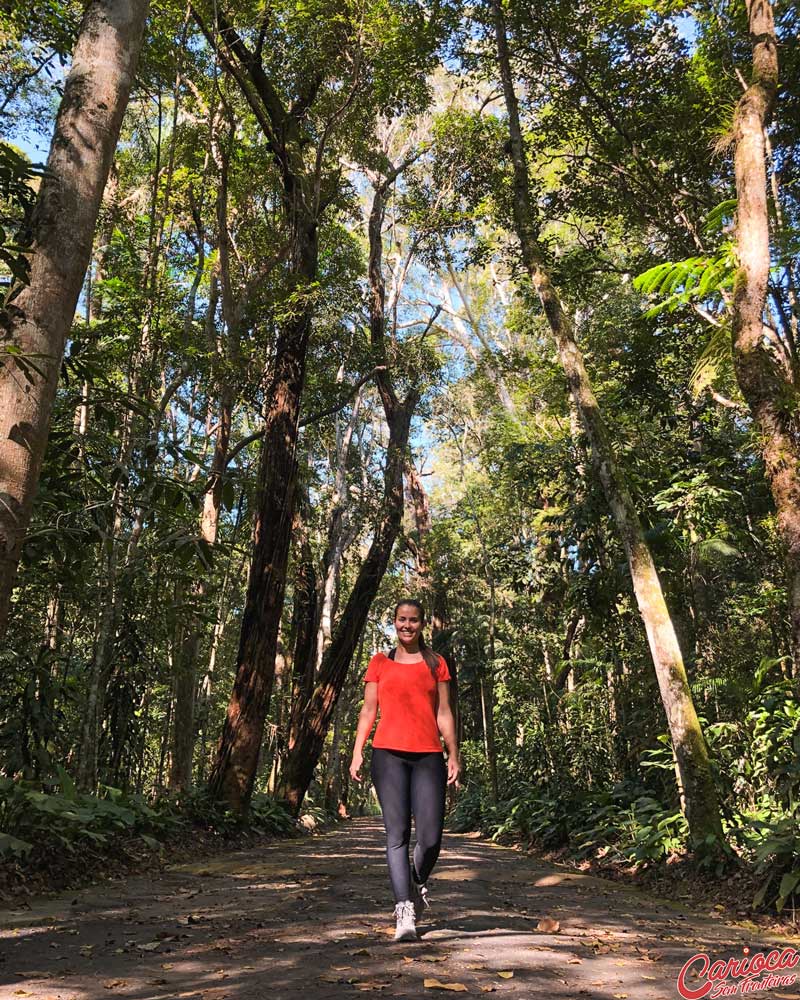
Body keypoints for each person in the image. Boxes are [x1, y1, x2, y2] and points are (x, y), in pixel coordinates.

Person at [349, 599, 461, 942]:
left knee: (429, 838)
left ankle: (414, 883)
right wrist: (357, 753)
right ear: (393, 623)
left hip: (428, 756)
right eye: (401, 620)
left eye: (413, 620)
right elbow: (368, 711)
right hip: (387, 757)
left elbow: (444, 712)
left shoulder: (436, 663)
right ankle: (404, 911)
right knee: (396, 836)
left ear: (421, 624)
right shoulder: (379, 663)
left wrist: (453, 753)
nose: (407, 626)